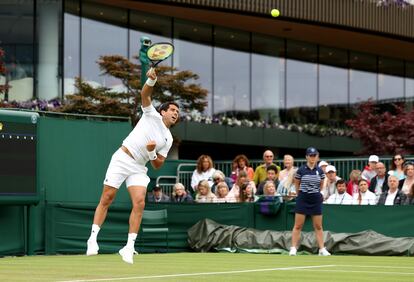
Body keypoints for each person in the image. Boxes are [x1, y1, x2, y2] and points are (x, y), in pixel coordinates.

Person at [86, 68, 180, 264]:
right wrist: (151, 80)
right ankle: (93, 239)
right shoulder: (151, 114)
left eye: (178, 112)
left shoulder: (168, 138)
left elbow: (157, 165)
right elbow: (145, 94)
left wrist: (152, 151)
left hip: (139, 167)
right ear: (162, 111)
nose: (175, 114)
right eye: (172, 110)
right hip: (122, 158)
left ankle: (129, 247)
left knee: (140, 203)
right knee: (107, 198)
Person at [289, 147, 330, 256]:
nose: (312, 157)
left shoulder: (320, 171)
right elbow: (297, 184)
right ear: (307, 157)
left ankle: (322, 249)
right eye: (310, 155)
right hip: (303, 198)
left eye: (314, 155)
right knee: (298, 225)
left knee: (318, 226)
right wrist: (301, 194)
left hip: (315, 199)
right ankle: (293, 248)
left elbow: (321, 185)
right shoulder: (301, 170)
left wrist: (316, 193)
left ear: (317, 157)